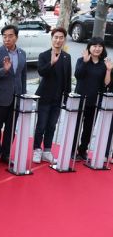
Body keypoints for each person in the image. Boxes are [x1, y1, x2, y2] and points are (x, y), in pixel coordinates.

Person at [0, 24, 27, 166]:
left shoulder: (22, 53)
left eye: (10, 36)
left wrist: (23, 95)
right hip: (0, 98)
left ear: (16, 37)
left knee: (11, 129)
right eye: (4, 36)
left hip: (16, 98)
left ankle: (6, 153)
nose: (7, 39)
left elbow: (22, 76)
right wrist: (4, 70)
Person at [33, 27, 72, 164]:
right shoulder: (44, 55)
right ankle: (36, 149)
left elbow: (67, 80)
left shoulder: (67, 57)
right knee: (41, 125)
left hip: (58, 98)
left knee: (52, 125)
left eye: (61, 38)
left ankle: (47, 151)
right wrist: (52, 63)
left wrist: (66, 98)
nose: (58, 40)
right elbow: (41, 72)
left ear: (64, 40)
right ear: (52, 39)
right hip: (44, 97)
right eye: (56, 37)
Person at [73, 37, 113, 161]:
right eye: (94, 46)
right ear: (89, 47)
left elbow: (106, 84)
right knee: (75, 126)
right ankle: (71, 149)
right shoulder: (82, 60)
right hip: (80, 100)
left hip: (94, 101)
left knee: (89, 128)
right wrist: (85, 62)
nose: (97, 48)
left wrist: (108, 70)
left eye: (100, 46)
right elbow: (78, 75)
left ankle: (82, 150)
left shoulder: (104, 64)